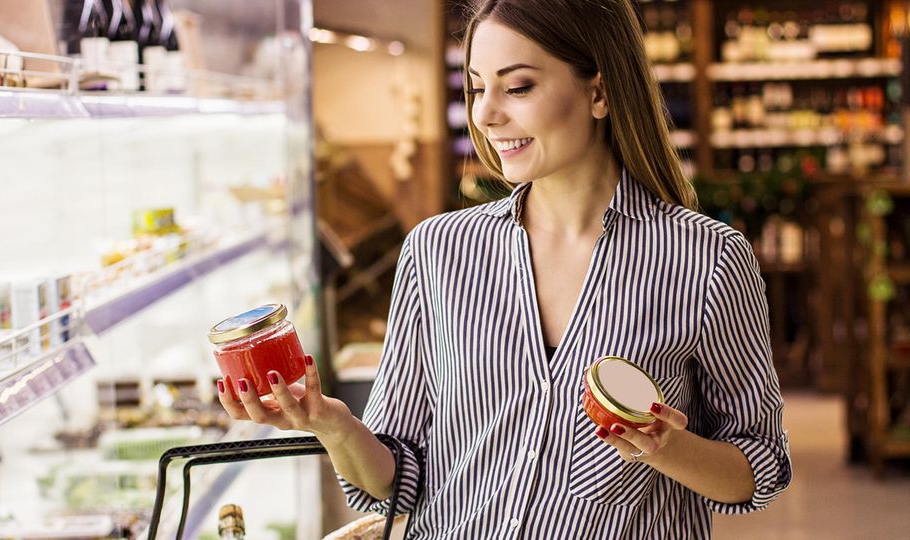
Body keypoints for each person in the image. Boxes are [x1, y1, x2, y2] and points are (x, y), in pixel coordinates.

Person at [216, 0, 793, 537]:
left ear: (599, 91)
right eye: (475, 88)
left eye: (517, 87)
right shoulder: (439, 251)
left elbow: (759, 467)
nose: (487, 115)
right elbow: (398, 480)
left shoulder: (706, 258)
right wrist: (335, 426)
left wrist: (667, 448)